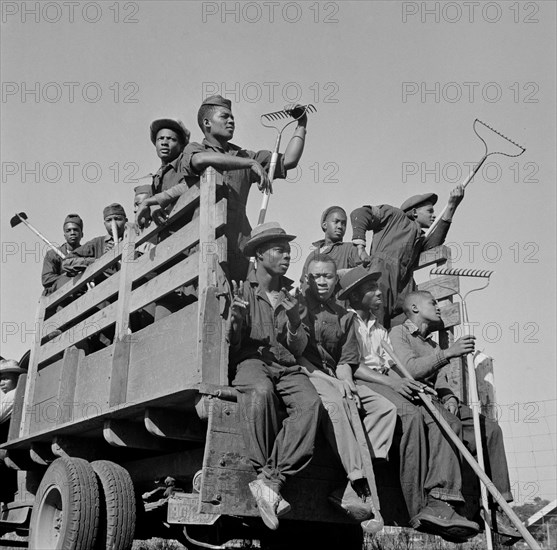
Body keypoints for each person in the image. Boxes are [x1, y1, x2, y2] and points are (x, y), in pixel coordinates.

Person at [340, 268, 480, 542]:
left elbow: (393, 366)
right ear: (356, 296)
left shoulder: (380, 329)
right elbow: (352, 365)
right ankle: (418, 508)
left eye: (379, 288)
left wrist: (406, 383)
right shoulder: (348, 321)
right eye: (372, 289)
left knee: (436, 418)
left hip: (384, 381)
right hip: (363, 383)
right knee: (412, 417)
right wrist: (394, 384)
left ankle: (443, 501)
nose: (380, 292)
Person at [389, 291, 520, 540]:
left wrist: (449, 397)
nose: (437, 306)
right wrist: (448, 353)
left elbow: (442, 381)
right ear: (415, 308)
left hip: (437, 399)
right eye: (432, 302)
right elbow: (410, 369)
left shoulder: (432, 344)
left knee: (490, 430)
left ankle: (498, 507)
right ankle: (442, 499)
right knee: (448, 423)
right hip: (414, 397)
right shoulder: (399, 333)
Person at [137, 96, 309, 282]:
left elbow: (288, 161)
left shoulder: (244, 155)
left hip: (241, 246)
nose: (231, 121)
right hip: (206, 245)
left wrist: (301, 123)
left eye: (233, 117)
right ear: (207, 123)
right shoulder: (194, 149)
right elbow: (200, 160)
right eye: (225, 116)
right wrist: (249, 163)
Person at [228, 222, 321, 531]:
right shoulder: (241, 289)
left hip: (286, 365)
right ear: (260, 254)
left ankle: (269, 480)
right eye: (280, 250)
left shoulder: (292, 294)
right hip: (252, 360)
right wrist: (235, 321)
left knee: (310, 404)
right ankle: (266, 478)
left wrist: (295, 320)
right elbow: (232, 344)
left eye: (288, 250)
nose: (287, 256)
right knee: (259, 392)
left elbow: (297, 348)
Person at [296, 254, 396, 533]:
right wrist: (333, 383)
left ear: (335, 279)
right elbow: (297, 354)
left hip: (335, 374)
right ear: (307, 277)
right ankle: (357, 477)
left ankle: (362, 474)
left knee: (383, 407)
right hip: (307, 372)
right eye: (316, 276)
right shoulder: (299, 305)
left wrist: (345, 379)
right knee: (338, 406)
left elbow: (346, 359)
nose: (322, 281)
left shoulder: (344, 316)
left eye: (327, 275)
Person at [350, 187, 464, 328]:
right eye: (430, 211)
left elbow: (434, 243)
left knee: (405, 328)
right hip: (382, 275)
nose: (434, 216)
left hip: (404, 286)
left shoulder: (419, 236)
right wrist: (360, 246)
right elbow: (360, 213)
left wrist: (452, 206)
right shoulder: (394, 216)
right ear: (414, 212)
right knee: (374, 323)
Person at [300, 206, 361, 289]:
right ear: (325, 225)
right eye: (336, 222)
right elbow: (304, 285)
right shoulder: (312, 255)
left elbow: (363, 272)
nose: (340, 226)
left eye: (343, 223)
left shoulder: (350, 249)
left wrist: (339, 274)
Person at [62, 203, 128, 279]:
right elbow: (66, 262)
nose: (113, 224)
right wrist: (99, 261)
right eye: (109, 220)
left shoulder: (134, 237)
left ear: (125, 221)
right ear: (104, 224)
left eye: (117, 219)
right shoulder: (97, 243)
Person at [41, 214, 84, 295]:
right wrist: (68, 275)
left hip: (82, 293)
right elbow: (46, 279)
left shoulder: (88, 253)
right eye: (68, 230)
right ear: (64, 235)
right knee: (64, 282)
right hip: (59, 297)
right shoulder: (53, 254)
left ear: (82, 234)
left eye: (75, 230)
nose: (72, 233)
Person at [0, 359, 25, 441]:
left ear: (18, 378)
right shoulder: (22, 390)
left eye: (6, 378)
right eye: (0, 380)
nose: (1, 383)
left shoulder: (13, 393)